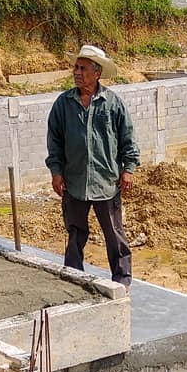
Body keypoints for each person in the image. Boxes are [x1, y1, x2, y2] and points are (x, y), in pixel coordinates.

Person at [45, 44, 140, 290]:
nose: (77, 72)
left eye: (83, 68)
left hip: (106, 182)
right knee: (75, 232)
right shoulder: (63, 104)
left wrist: (128, 169)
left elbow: (127, 139)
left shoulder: (112, 103)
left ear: (97, 73)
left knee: (114, 235)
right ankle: (74, 277)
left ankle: (122, 281)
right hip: (75, 182)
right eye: (76, 68)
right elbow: (54, 140)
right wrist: (56, 172)